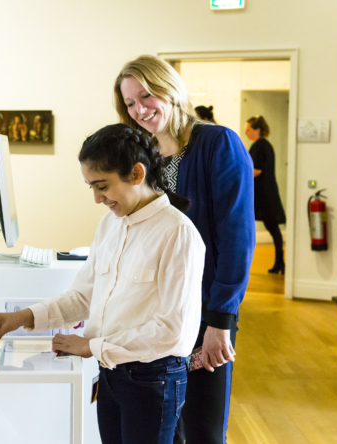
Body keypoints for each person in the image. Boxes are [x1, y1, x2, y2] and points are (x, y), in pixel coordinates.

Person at [0, 124, 206, 444]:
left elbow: (174, 331)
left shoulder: (178, 234)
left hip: (152, 381)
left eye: (102, 186)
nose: (96, 198)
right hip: (111, 375)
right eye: (90, 186)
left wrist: (89, 346)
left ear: (136, 172)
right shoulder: (110, 225)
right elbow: (82, 297)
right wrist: (20, 319)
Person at [114, 55, 255, 444]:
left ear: (169, 88)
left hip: (203, 313)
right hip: (154, 316)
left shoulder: (217, 144)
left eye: (146, 95)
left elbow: (236, 239)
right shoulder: (142, 158)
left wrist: (220, 322)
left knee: (203, 431)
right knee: (165, 427)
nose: (140, 109)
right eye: (130, 103)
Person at [245, 116, 286, 274]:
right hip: (266, 192)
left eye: (248, 130)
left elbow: (256, 170)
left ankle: (279, 262)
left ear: (257, 130)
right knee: (273, 227)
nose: (246, 133)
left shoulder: (260, 146)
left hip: (264, 195)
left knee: (272, 227)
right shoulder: (264, 145)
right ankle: (279, 262)